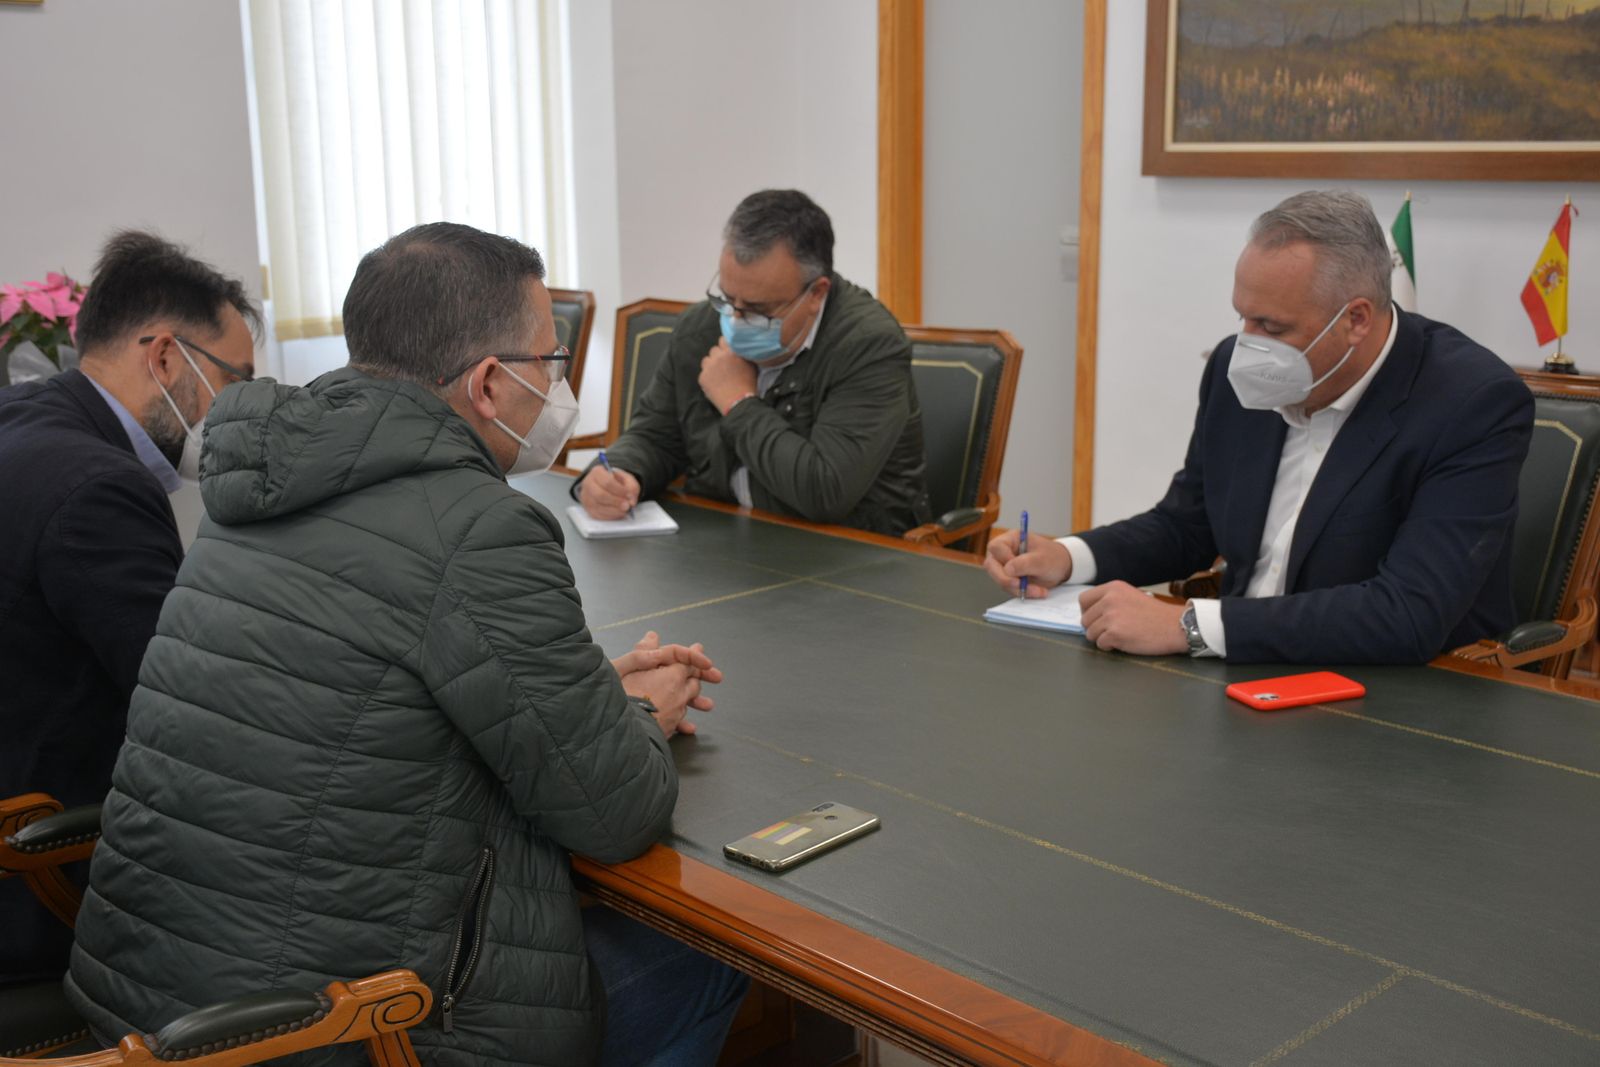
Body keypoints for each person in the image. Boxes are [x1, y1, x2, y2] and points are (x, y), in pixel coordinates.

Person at [65, 223, 748, 1067]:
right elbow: (614, 809)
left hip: (148, 1013)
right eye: (552, 363)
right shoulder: (479, 528)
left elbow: (364, 695)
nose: (561, 385)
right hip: (341, 1036)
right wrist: (636, 710)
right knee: (710, 960)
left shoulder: (249, 497)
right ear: (491, 384)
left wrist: (579, 691)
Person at [985, 190, 1534, 665]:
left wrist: (1187, 627)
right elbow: (1188, 524)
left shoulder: (1471, 403)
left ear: (1356, 319)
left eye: (1271, 325)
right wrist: (1069, 556)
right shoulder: (1239, 371)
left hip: (1400, 696)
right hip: (1238, 671)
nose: (1248, 344)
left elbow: (1408, 613)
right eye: (1242, 317)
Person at [0, 231, 258, 987]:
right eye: (234, 380)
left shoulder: (27, 421)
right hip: (45, 878)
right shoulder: (96, 488)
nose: (235, 408)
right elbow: (189, 704)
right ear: (167, 356)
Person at [577, 189, 931, 535]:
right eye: (729, 299)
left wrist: (738, 402)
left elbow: (825, 491)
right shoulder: (701, 328)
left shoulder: (870, 345)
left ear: (816, 293)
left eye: (759, 310)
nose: (736, 319)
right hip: (724, 540)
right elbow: (656, 436)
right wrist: (618, 474)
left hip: (851, 552)